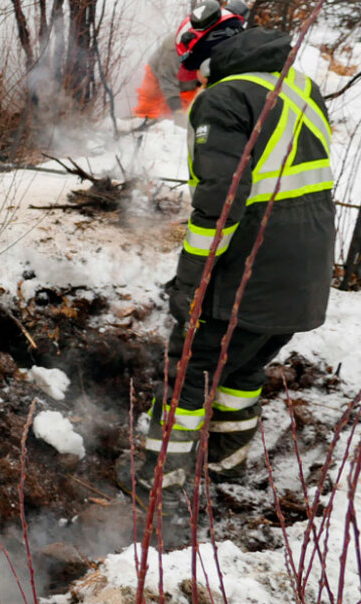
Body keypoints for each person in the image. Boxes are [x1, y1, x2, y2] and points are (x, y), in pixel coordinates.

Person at [124, 17, 335, 494]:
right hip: (306, 267)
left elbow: (220, 203)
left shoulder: (224, 98)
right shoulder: (299, 85)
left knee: (189, 372)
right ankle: (225, 466)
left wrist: (192, 281)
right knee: (242, 367)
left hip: (251, 266)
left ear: (202, 55)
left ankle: (160, 486)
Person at [133, 1, 246, 122]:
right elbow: (167, 80)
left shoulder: (218, 38)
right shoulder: (174, 48)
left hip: (191, 83)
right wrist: (177, 111)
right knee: (150, 109)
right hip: (160, 77)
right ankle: (144, 124)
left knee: (189, 112)